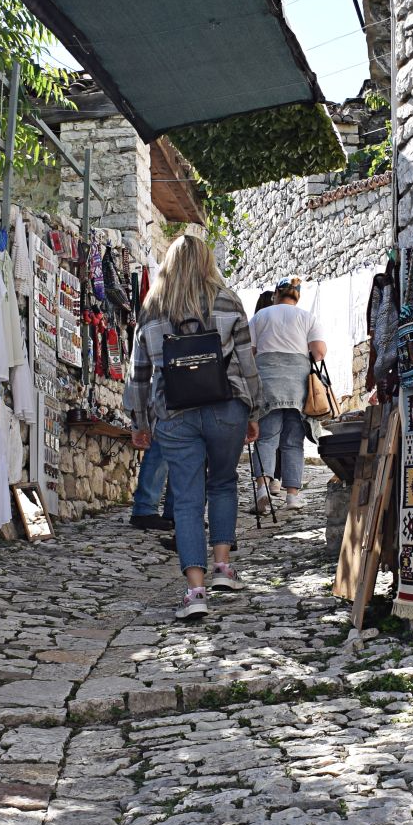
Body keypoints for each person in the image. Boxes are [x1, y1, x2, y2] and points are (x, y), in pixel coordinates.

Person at [128, 234, 261, 620]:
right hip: (226, 408)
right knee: (222, 482)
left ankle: (196, 591)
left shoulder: (152, 307)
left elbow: (139, 372)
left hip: (173, 411)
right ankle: (222, 567)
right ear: (207, 262)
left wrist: (139, 421)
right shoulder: (227, 299)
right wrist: (254, 410)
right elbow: (246, 362)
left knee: (186, 497)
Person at [248, 277, 325, 514]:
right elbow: (320, 352)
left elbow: (249, 352)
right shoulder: (307, 317)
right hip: (297, 386)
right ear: (297, 296)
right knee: (293, 442)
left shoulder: (261, 316)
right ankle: (292, 497)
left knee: (266, 439)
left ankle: (262, 491)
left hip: (268, 384)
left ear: (276, 295)